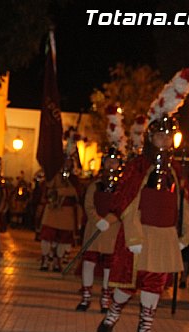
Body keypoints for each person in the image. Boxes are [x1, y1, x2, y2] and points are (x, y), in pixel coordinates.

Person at [97, 68, 189, 332]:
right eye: (159, 137)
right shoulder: (139, 166)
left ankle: (145, 329)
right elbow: (127, 202)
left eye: (168, 137)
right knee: (130, 283)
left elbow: (184, 203)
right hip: (140, 233)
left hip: (165, 235)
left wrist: (184, 234)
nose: (164, 141)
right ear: (151, 138)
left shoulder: (176, 169)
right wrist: (134, 235)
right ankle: (111, 316)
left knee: (156, 283)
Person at [76, 105, 125, 312]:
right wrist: (97, 219)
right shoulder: (96, 183)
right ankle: (86, 297)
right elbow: (88, 203)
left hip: (112, 232)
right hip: (94, 229)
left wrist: (111, 219)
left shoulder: (123, 186)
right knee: (88, 263)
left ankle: (106, 299)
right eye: (109, 161)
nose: (111, 165)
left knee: (108, 267)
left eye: (115, 161)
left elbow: (124, 205)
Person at [38, 128, 83, 272]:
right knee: (47, 235)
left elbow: (77, 193)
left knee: (63, 238)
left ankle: (58, 261)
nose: (67, 164)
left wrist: (62, 190)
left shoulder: (74, 179)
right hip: (53, 208)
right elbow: (47, 187)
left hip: (67, 212)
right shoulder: (54, 174)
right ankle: (45, 259)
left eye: (70, 162)